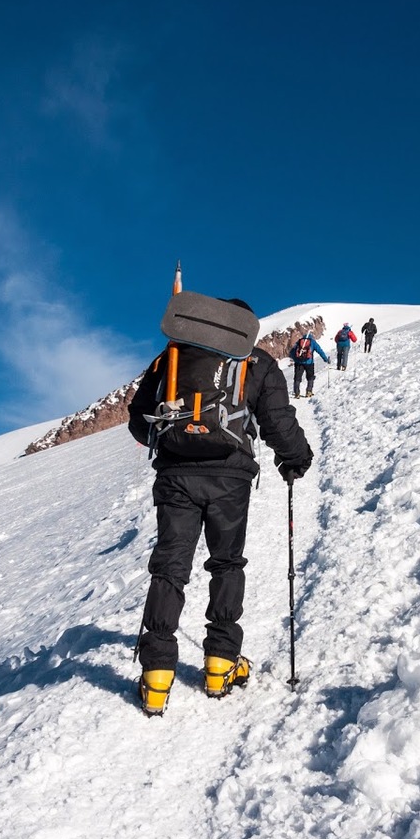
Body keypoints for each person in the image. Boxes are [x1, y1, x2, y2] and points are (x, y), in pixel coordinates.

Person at [126, 298, 313, 713]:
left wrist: (173, 435)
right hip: (230, 477)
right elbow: (277, 421)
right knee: (226, 563)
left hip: (175, 473)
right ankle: (220, 663)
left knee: (170, 566)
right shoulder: (256, 361)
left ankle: (157, 675)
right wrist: (296, 458)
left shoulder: (172, 357)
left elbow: (139, 418)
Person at [289, 331, 330, 397]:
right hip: (309, 363)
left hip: (299, 363)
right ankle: (309, 392)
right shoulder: (312, 342)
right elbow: (320, 351)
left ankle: (297, 393)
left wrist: (296, 360)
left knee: (297, 378)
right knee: (310, 377)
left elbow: (291, 352)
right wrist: (325, 359)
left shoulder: (299, 342)